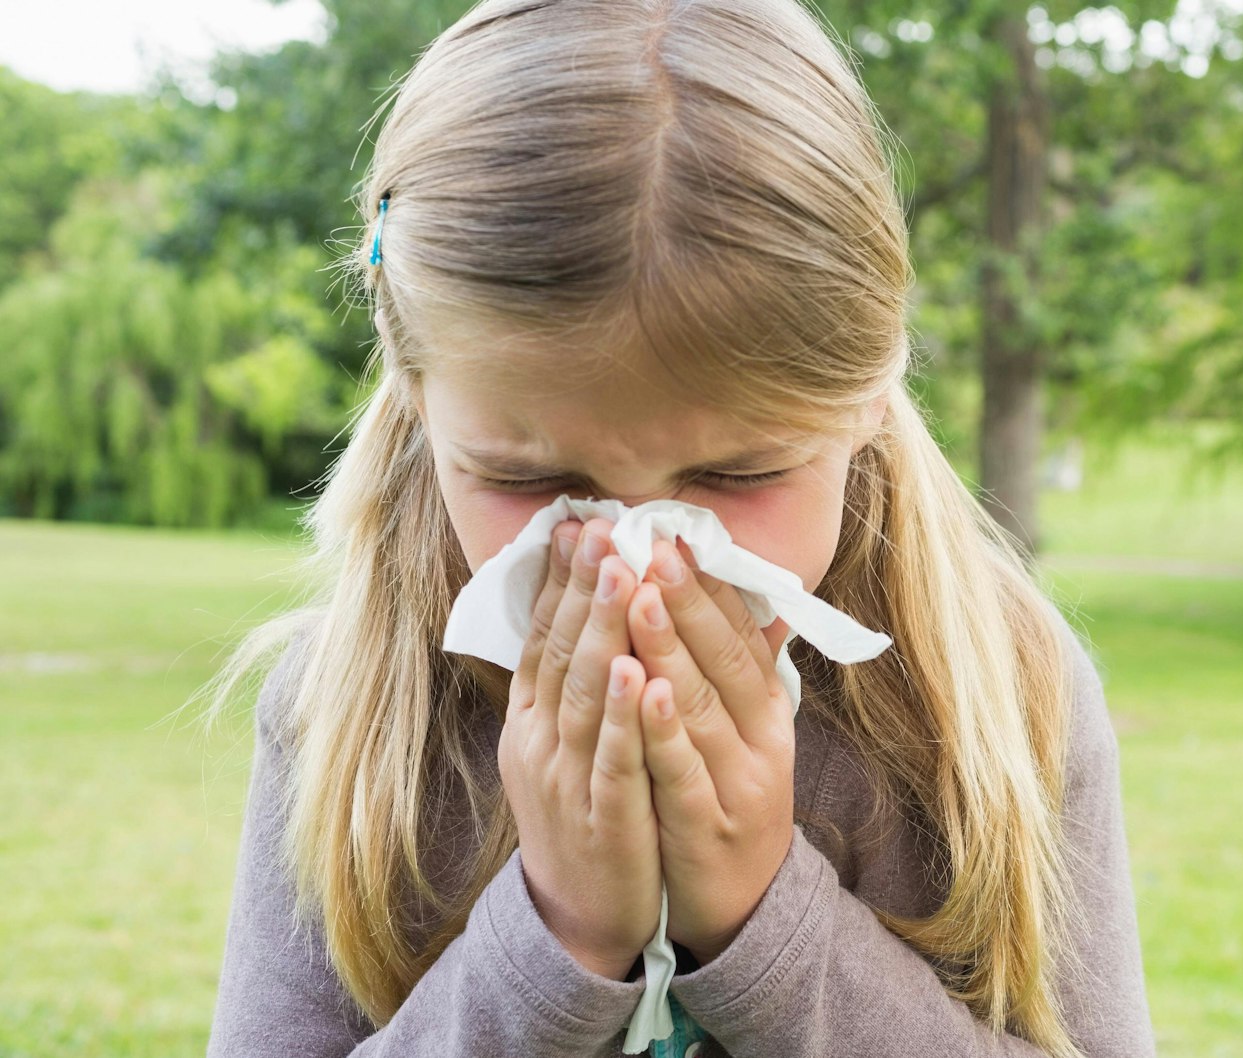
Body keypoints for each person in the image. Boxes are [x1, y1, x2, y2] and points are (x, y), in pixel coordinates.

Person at [195, 1, 1154, 1055]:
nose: (636, 557)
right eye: (535, 477)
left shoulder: (1004, 685)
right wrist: (557, 929)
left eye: (737, 472)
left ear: (868, 397)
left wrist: (762, 917)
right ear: (420, 397)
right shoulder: (342, 705)